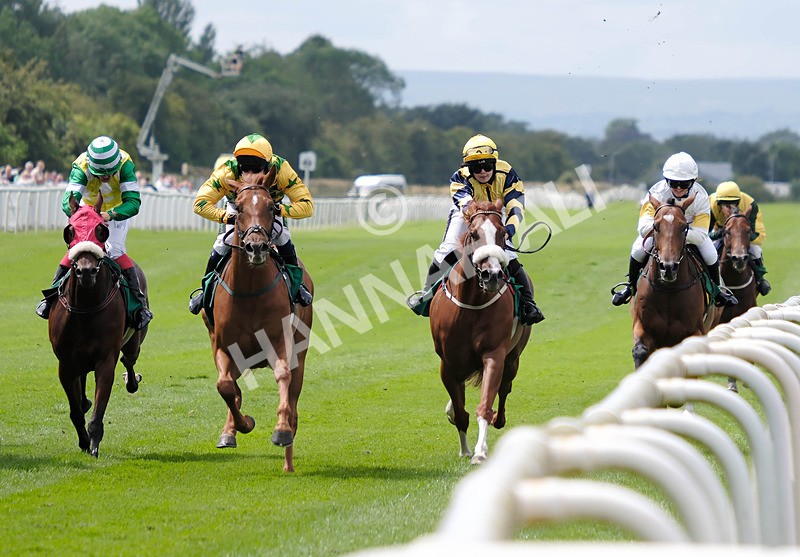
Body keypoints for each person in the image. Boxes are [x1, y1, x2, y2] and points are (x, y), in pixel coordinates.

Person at [406, 134, 544, 326]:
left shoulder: (509, 174)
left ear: (495, 163)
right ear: (467, 167)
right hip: (467, 215)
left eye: (487, 165)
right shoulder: (459, 179)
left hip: (497, 213)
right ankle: (427, 295)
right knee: (447, 249)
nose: (482, 171)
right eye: (475, 167)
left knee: (509, 256)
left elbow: (516, 207)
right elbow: (467, 207)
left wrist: (509, 230)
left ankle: (528, 303)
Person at [188, 133, 314, 314]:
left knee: (282, 236)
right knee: (223, 242)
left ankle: (297, 285)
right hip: (238, 208)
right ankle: (205, 289)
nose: (250, 172)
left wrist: (280, 211)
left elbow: (307, 205)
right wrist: (228, 217)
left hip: (269, 207)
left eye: (256, 167)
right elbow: (200, 204)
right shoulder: (227, 171)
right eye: (245, 166)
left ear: (268, 164)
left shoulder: (282, 169)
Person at [36, 136, 153, 330]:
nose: (106, 177)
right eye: (101, 174)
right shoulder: (81, 165)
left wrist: (109, 215)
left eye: (109, 173)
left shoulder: (125, 164)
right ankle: (51, 297)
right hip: (87, 211)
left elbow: (133, 202)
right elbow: (68, 199)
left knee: (115, 250)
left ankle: (139, 305)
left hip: (116, 211)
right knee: (77, 251)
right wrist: (83, 214)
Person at [610, 151, 738, 308]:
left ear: (693, 181)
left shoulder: (701, 197)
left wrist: (677, 232)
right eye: (673, 183)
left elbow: (700, 235)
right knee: (637, 250)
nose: (678, 188)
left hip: (689, 233)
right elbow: (643, 227)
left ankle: (717, 291)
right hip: (659, 232)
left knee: (711, 254)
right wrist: (666, 229)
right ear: (666, 180)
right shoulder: (656, 193)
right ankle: (630, 287)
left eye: (683, 184)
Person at [708, 180, 771, 296]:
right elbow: (705, 232)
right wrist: (723, 233)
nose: (731, 207)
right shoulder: (710, 204)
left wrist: (739, 235)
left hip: (744, 234)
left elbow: (758, 235)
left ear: (739, 201)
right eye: (725, 204)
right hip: (720, 231)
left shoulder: (750, 205)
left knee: (755, 250)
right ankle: (707, 280)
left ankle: (760, 279)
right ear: (718, 203)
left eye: (734, 203)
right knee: (709, 250)